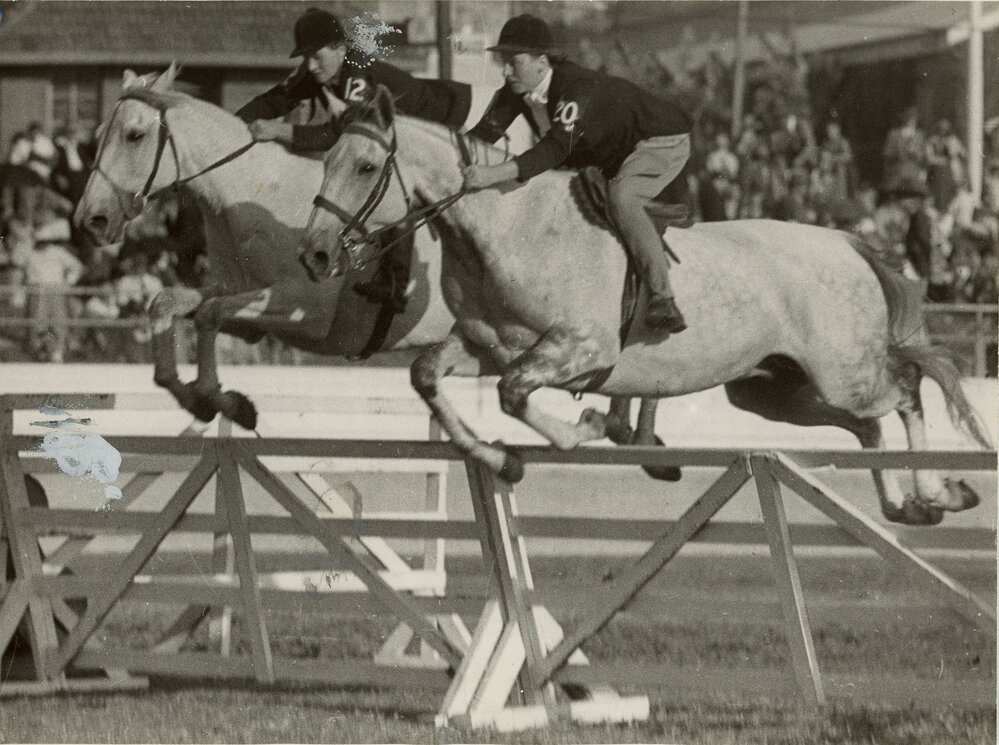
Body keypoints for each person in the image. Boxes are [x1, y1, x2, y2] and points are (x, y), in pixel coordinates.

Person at [462, 15, 691, 332]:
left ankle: (663, 299)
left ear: (542, 62)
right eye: (504, 62)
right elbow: (478, 139)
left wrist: (491, 174)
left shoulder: (576, 88)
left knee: (622, 198)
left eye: (515, 62)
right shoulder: (516, 90)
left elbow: (554, 149)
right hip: (611, 153)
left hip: (660, 140)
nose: (506, 71)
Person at [236, 7, 474, 311]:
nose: (311, 66)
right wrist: (229, 124)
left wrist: (280, 130)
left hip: (457, 120)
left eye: (316, 56)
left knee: (392, 188)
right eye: (305, 58)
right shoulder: (323, 69)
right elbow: (273, 101)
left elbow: (337, 134)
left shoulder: (356, 71)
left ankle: (395, 284)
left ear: (340, 49)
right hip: (418, 128)